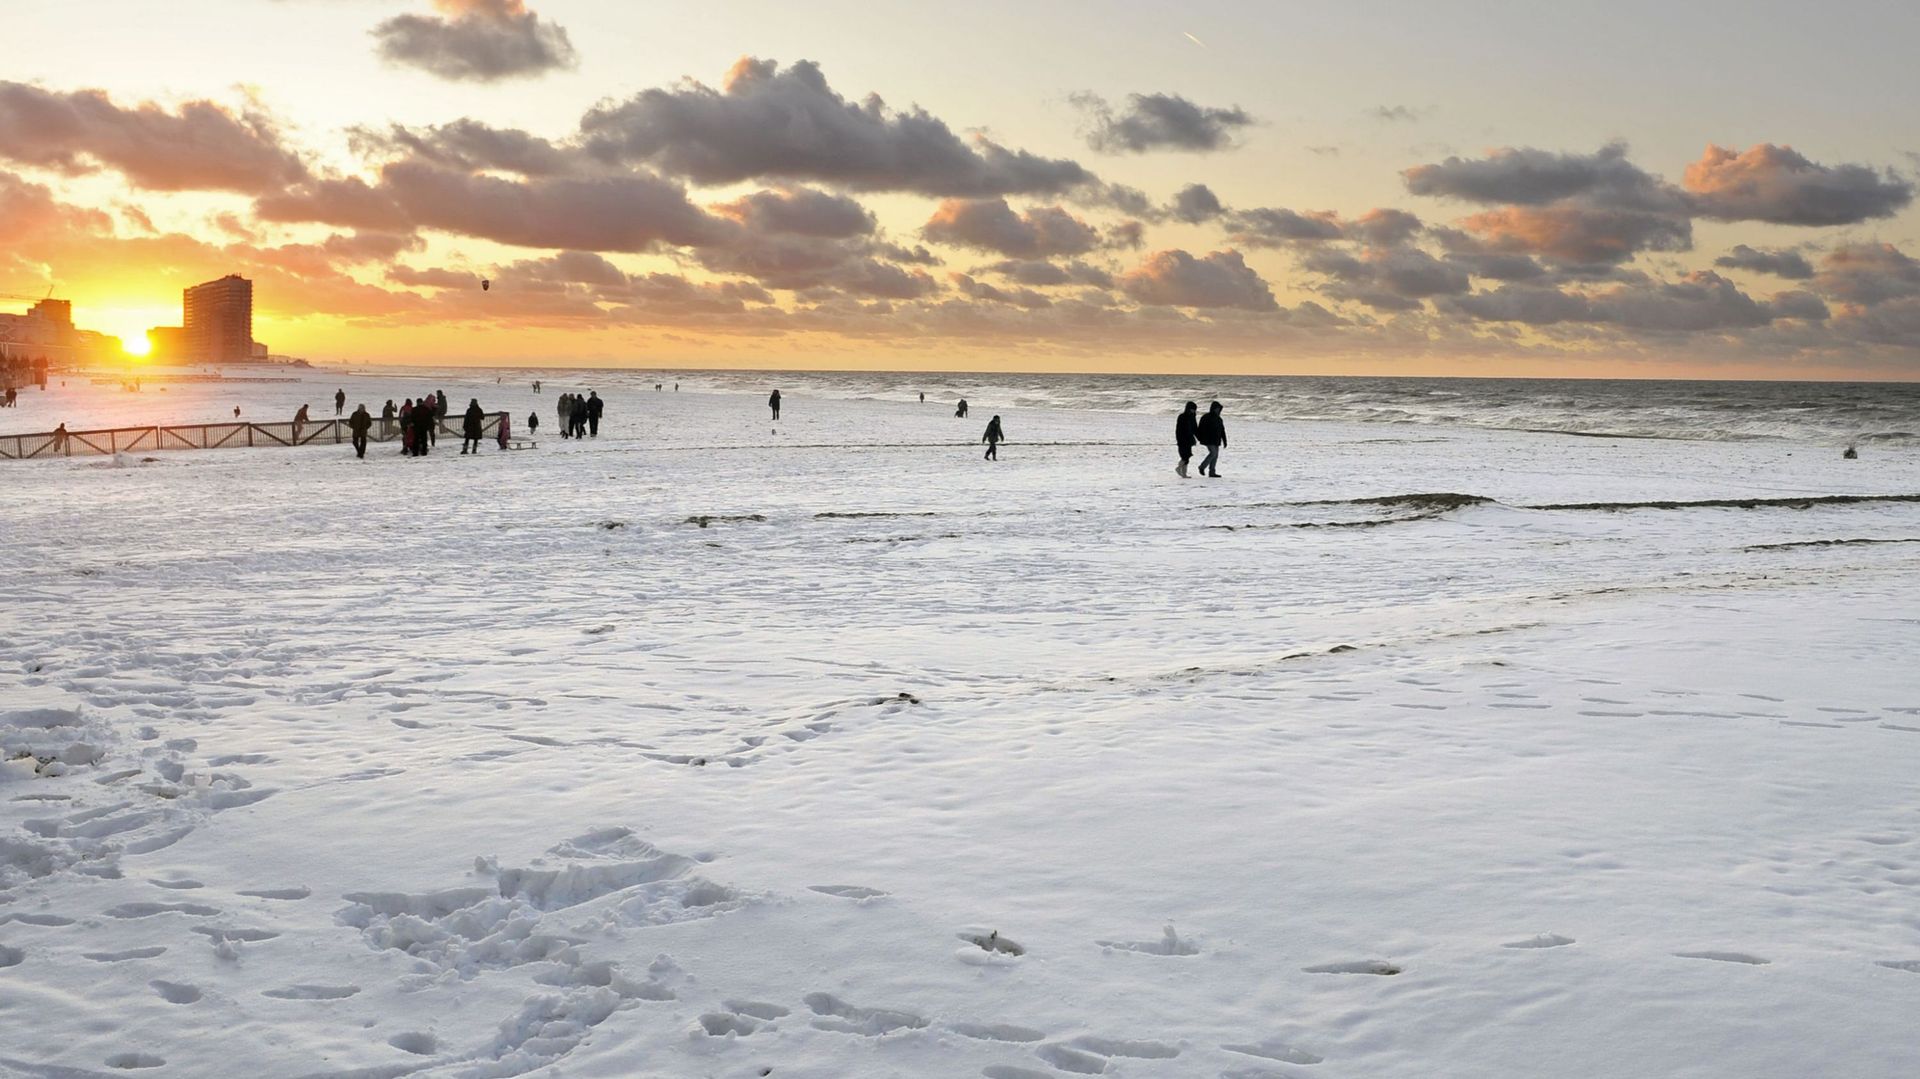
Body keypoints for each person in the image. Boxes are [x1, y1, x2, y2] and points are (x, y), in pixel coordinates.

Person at [1196, 400, 1226, 478]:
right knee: (1213, 453)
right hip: (1208, 439)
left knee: (1215, 455)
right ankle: (1202, 467)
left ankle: (1212, 472)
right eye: (1217, 408)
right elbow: (1200, 428)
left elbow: (1222, 430)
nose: (1218, 410)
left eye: (1219, 409)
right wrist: (1199, 437)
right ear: (1213, 408)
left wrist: (1225, 440)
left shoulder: (1219, 419)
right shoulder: (1206, 417)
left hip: (1216, 439)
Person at [1174, 401, 1199, 478]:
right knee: (1185, 456)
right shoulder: (1182, 417)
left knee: (1187, 457)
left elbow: (1195, 429)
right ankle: (1179, 469)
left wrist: (1199, 438)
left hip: (1189, 439)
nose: (1193, 411)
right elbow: (1178, 430)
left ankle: (1184, 473)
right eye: (1192, 409)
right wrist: (1179, 439)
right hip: (1182, 439)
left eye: (1194, 409)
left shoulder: (1192, 417)